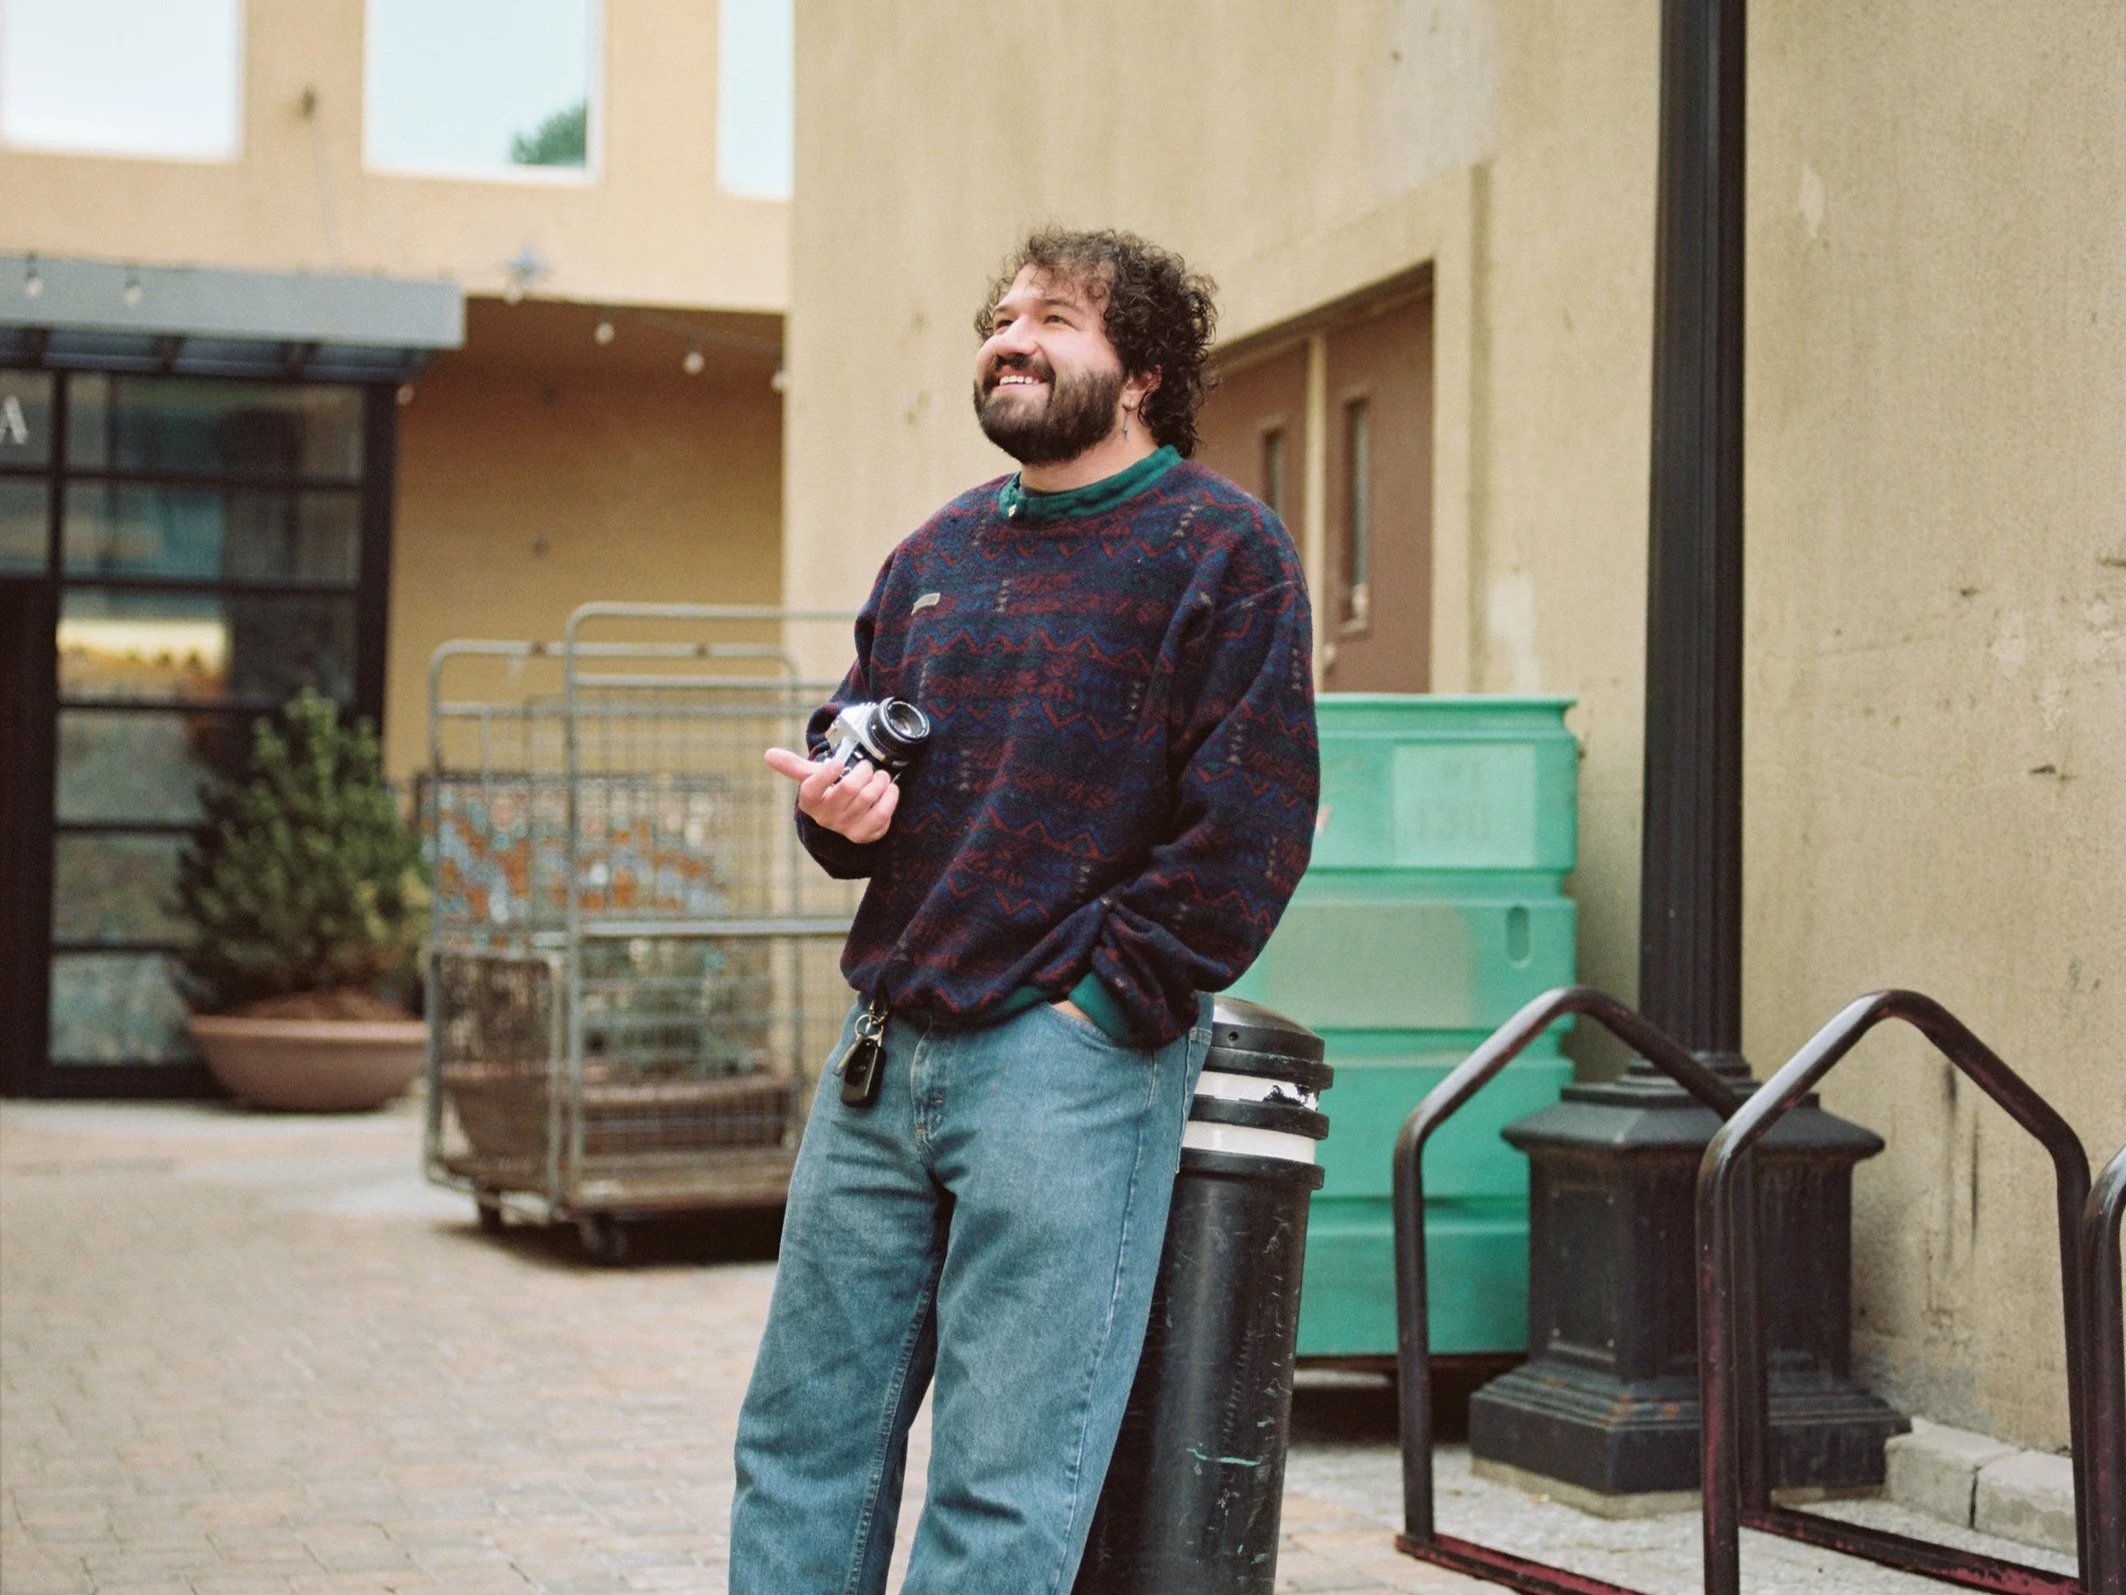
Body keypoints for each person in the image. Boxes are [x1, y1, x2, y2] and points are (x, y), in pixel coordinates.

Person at [729, 227, 1319, 1594]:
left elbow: (1253, 818)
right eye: (1001, 314)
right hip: (881, 1057)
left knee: (1005, 1480)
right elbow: (865, 750)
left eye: (1053, 316)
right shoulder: (934, 550)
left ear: (1142, 374)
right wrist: (837, 805)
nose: (1010, 334)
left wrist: (1102, 1004)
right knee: (800, 1439)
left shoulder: (1218, 548)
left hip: (1067, 1065)